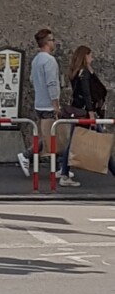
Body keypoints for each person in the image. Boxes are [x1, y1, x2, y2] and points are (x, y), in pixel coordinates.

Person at [59, 46, 113, 189]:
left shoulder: (76, 72)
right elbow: (87, 93)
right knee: (102, 143)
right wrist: (91, 112)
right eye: (90, 56)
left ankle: (64, 172)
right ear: (85, 56)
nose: (92, 58)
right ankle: (64, 174)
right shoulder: (85, 73)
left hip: (77, 111)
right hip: (85, 112)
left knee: (72, 143)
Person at [18, 27, 60, 179]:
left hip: (39, 103)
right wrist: (56, 103)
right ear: (47, 42)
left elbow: (31, 79)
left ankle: (57, 167)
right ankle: (27, 156)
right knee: (50, 138)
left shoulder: (36, 60)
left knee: (46, 136)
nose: (54, 43)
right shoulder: (50, 60)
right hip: (48, 104)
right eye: (52, 40)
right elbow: (52, 83)